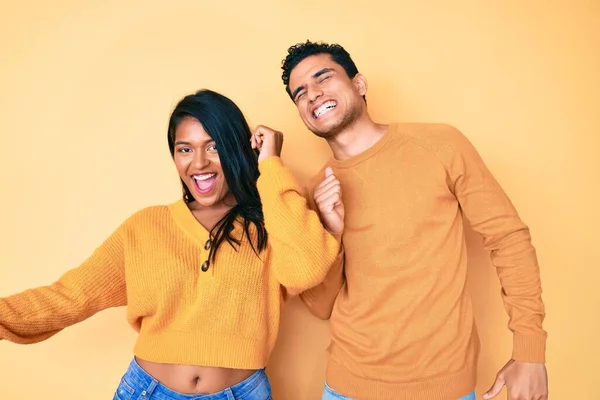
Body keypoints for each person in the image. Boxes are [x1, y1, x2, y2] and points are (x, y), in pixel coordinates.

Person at [0, 89, 344, 400]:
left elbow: (306, 269)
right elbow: (71, 296)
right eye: (185, 149)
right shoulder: (145, 226)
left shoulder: (271, 222)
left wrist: (270, 163)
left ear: (238, 150)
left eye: (213, 146)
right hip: (147, 391)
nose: (199, 163)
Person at [279, 41, 548, 400]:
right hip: (347, 386)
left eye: (322, 77)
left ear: (359, 84)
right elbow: (321, 305)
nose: (313, 94)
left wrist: (530, 352)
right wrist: (332, 231)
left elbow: (507, 237)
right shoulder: (318, 190)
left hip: (442, 386)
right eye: (300, 93)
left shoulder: (440, 145)